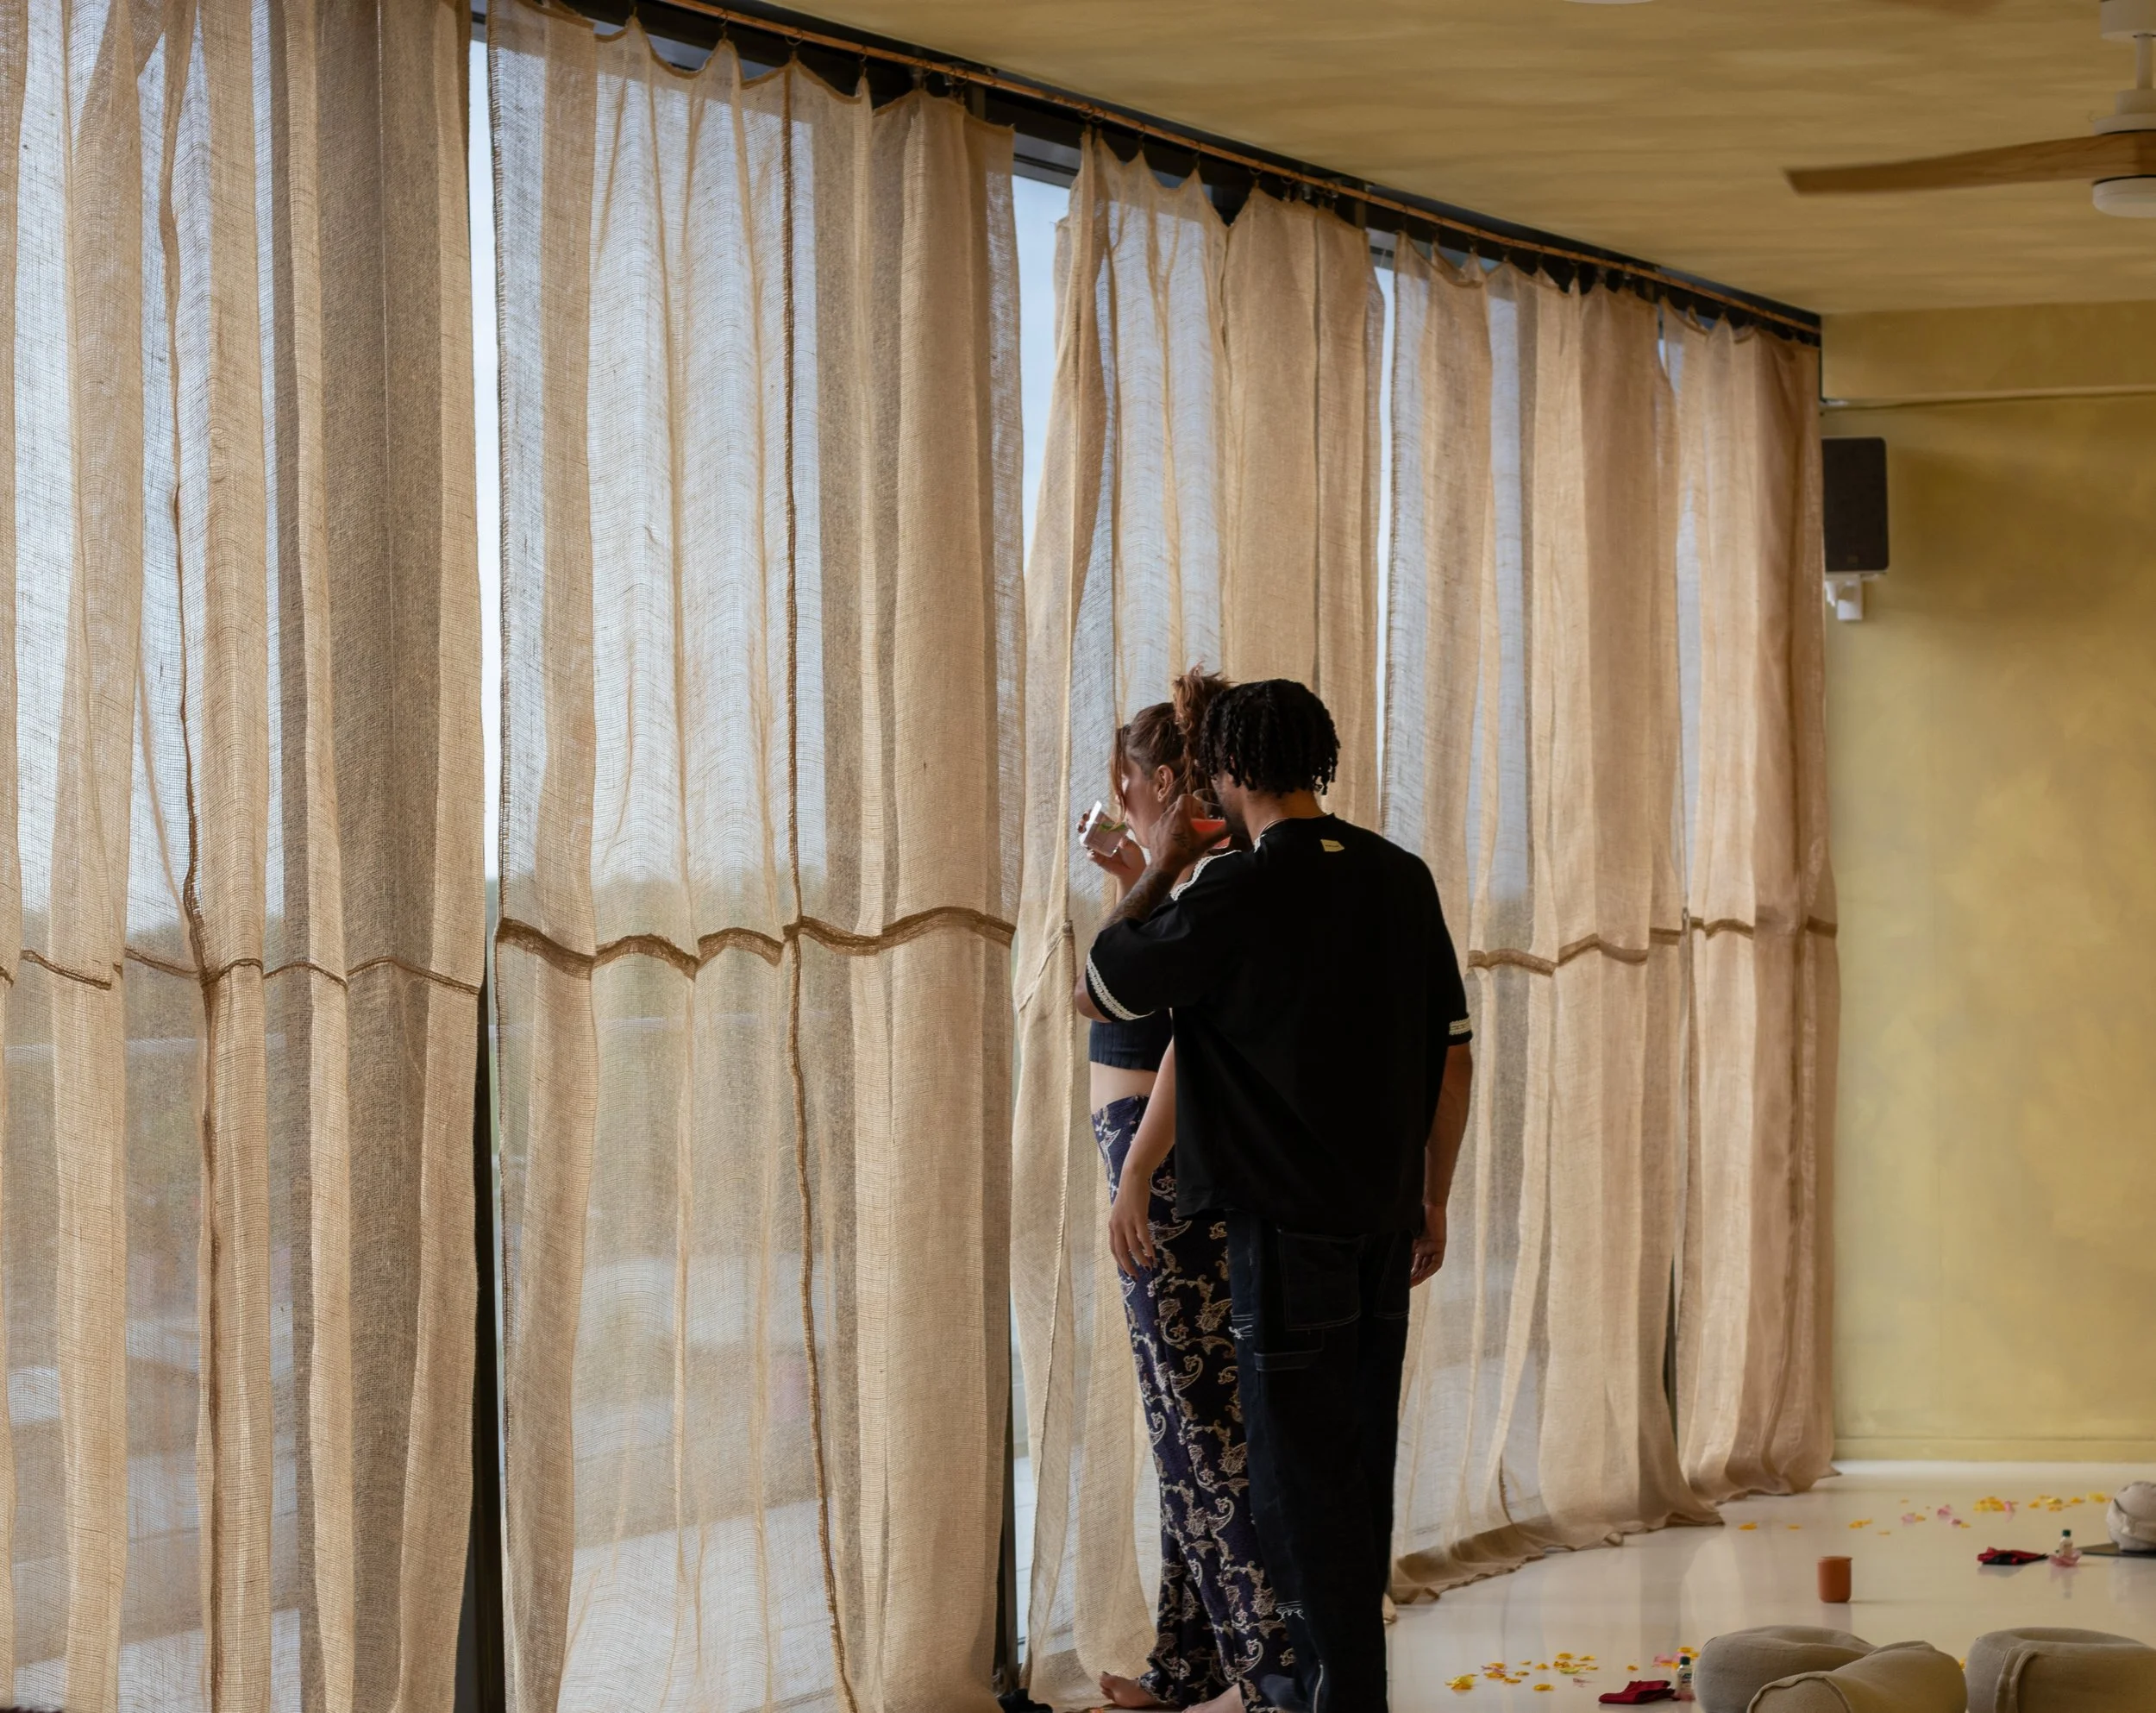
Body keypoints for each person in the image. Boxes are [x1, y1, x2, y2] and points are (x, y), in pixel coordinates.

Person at [1077, 679, 1475, 1713]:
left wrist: (1155, 866)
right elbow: (1453, 1061)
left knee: (1298, 1493)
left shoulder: (1241, 889)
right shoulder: (1401, 876)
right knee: (1358, 1477)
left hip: (1285, 1241)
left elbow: (1108, 979)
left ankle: (1310, 1697)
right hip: (1383, 1227)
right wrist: (1434, 1198)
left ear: (1229, 768)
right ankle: (1349, 1695)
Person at [1078, 667, 1296, 1713]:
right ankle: (1191, 1665)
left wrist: (1135, 1173)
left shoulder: (1221, 880)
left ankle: (1272, 1674)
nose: (1120, 801)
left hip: (1161, 1166)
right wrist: (1138, 872)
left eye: (1126, 784)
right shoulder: (1197, 875)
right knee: (1181, 1424)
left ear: (1162, 780)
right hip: (1150, 1155)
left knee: (1203, 1428)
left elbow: (1189, 1042)